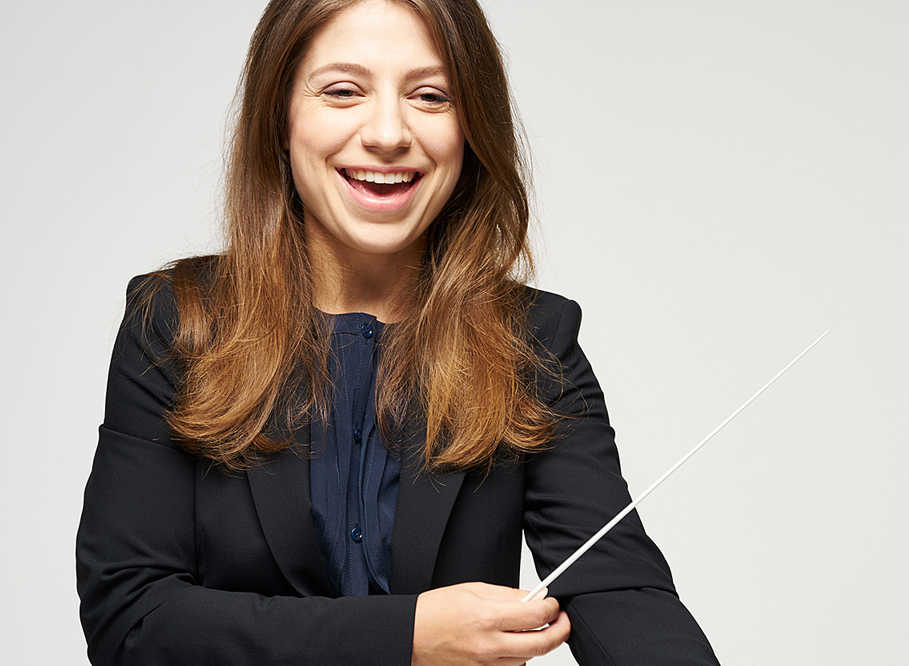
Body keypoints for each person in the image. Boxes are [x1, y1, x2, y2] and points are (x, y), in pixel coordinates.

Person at [76, 0, 720, 663]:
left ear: (469, 127)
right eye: (344, 91)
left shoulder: (533, 341)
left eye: (431, 95)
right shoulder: (178, 322)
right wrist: (408, 636)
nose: (387, 132)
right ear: (281, 115)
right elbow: (131, 622)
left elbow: (621, 594)